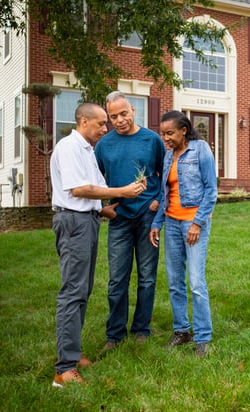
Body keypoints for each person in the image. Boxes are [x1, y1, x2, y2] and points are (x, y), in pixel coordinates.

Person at [50, 102, 146, 387]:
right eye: (101, 123)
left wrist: (100, 209)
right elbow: (77, 189)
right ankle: (64, 370)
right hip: (74, 223)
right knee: (72, 292)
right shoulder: (68, 148)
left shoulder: (86, 149)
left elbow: (86, 190)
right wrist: (122, 192)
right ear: (83, 122)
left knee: (83, 290)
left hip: (87, 220)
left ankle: (73, 352)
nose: (106, 128)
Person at [94, 91, 166, 350]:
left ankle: (141, 329)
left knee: (147, 277)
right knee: (117, 279)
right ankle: (114, 335)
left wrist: (158, 201)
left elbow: (165, 174)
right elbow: (94, 180)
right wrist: (103, 207)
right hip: (120, 219)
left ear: (133, 110)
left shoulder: (152, 140)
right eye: (113, 116)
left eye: (123, 114)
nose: (120, 120)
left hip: (148, 216)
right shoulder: (104, 145)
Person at [149, 110, 217, 357]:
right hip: (172, 222)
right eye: (162, 133)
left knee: (196, 282)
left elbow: (211, 189)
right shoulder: (168, 156)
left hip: (193, 223)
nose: (165, 138)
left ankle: (203, 336)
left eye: (169, 133)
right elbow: (164, 193)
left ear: (183, 131)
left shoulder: (200, 150)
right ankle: (181, 331)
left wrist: (198, 223)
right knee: (175, 281)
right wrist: (157, 223)